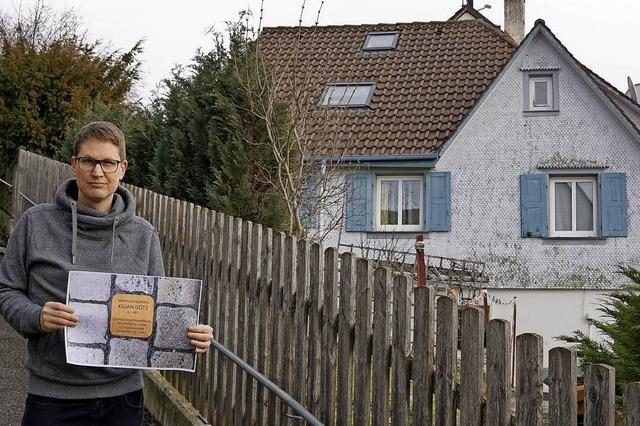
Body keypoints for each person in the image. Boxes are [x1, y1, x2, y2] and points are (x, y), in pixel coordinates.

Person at [0, 121, 213, 425]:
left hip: (122, 399)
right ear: (74, 165)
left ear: (122, 168)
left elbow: (158, 315)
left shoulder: (144, 236)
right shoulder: (35, 224)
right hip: (52, 396)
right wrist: (36, 316)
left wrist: (191, 336)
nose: (97, 172)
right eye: (88, 161)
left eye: (108, 163)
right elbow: (6, 290)